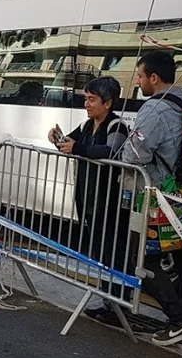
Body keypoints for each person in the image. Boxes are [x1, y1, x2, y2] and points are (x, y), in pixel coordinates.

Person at [119, 49, 182, 347]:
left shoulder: (155, 109)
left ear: (153, 78)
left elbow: (134, 154)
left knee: (143, 258)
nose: (138, 81)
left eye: (140, 76)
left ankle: (179, 321)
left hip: (155, 195)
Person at [50, 76, 134, 324]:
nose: (86, 104)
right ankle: (108, 301)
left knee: (114, 252)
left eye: (91, 99)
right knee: (99, 251)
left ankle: (119, 305)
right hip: (88, 198)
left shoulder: (116, 126)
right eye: (85, 98)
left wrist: (77, 148)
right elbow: (70, 144)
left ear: (107, 103)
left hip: (109, 201)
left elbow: (111, 152)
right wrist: (58, 138)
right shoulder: (87, 125)